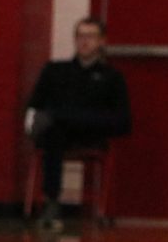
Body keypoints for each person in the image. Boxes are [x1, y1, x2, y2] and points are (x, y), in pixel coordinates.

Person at [25, 17, 131, 230]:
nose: (85, 42)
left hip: (92, 132)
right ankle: (52, 201)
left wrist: (64, 116)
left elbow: (123, 121)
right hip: (59, 133)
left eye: (91, 37)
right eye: (80, 36)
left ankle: (61, 119)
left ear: (102, 41)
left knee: (56, 120)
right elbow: (34, 106)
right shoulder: (55, 71)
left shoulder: (112, 77)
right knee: (53, 132)